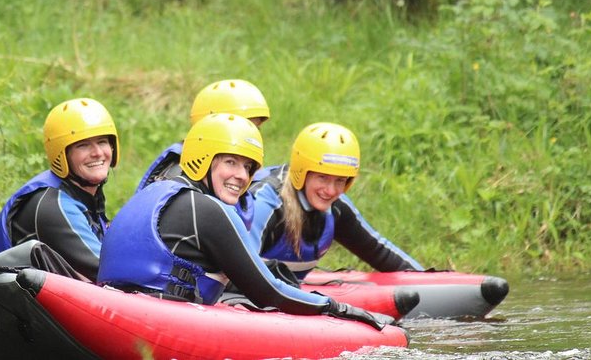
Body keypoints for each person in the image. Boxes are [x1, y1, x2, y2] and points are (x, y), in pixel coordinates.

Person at [98, 113, 394, 330]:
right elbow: (269, 292)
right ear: (203, 158)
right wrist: (337, 308)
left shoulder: (158, 190)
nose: (242, 175)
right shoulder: (206, 210)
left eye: (248, 166)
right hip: (156, 322)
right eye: (230, 162)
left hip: (113, 309)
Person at [248, 122, 424, 282]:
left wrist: (426, 282)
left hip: (279, 291)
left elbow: (380, 253)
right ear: (302, 171)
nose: (331, 190)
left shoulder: (336, 208)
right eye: (322, 177)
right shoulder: (265, 205)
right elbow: (234, 270)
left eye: (340, 180)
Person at [0, 98, 119, 282]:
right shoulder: (53, 205)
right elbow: (109, 272)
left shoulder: (85, 197)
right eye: (83, 145)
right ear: (62, 154)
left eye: (102, 142)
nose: (98, 153)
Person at [136, 79, 270, 192]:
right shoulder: (181, 177)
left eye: (256, 129)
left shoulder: (242, 171)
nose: (253, 136)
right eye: (243, 127)